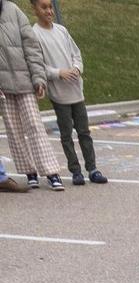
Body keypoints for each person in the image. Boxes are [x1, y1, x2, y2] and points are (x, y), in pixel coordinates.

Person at [30, 0, 105, 186]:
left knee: (84, 131)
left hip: (76, 91)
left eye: (50, 7)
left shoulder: (62, 31)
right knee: (66, 134)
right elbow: (38, 65)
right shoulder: (35, 34)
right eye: (44, 7)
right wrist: (58, 73)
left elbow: (76, 54)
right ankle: (76, 171)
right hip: (59, 94)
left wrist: (77, 69)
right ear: (35, 9)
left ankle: (92, 168)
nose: (49, 11)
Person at [0, 0, 62, 190]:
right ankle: (29, 172)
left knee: (35, 126)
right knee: (14, 131)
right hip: (2, 86)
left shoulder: (13, 10)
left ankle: (52, 172)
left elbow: (31, 47)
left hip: (24, 81)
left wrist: (38, 78)